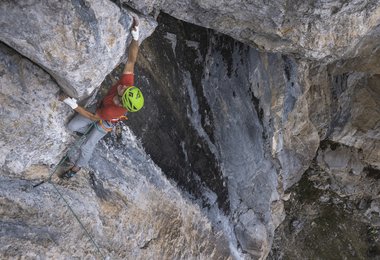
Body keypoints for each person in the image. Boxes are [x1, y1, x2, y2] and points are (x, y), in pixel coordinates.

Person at [59, 16, 143, 179]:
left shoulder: (113, 111)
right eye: (126, 88)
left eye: (124, 91)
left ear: (123, 100)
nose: (124, 86)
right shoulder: (128, 84)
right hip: (99, 108)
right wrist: (136, 36)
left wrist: (70, 102)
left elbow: (92, 116)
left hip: (105, 121)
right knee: (71, 127)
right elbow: (132, 59)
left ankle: (77, 168)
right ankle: (87, 134)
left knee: (87, 146)